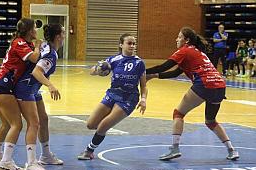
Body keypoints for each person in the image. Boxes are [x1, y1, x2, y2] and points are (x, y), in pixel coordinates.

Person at [146, 27, 239, 161]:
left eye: (179, 37)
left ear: (186, 40)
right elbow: (175, 72)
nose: (176, 39)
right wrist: (154, 75)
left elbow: (164, 67)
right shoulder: (197, 52)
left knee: (178, 113)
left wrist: (142, 72)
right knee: (211, 121)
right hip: (220, 86)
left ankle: (175, 148)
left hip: (204, 84)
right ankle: (232, 150)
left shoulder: (184, 51)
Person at [77, 33, 147, 160]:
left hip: (129, 98)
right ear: (121, 45)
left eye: (133, 43)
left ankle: (89, 151)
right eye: (129, 43)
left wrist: (143, 100)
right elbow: (92, 71)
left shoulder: (139, 63)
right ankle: (101, 132)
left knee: (103, 125)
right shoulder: (113, 60)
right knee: (90, 124)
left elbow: (144, 85)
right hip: (112, 94)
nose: (132, 46)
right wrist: (98, 69)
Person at [0, 18, 41, 170]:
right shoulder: (19, 43)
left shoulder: (24, 43)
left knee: (5, 124)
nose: (37, 31)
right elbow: (33, 58)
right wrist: (38, 47)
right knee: (17, 125)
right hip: (2, 87)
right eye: (34, 29)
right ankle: (6, 160)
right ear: (30, 31)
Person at [14, 23, 64, 170]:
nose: (64, 35)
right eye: (63, 33)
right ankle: (31, 162)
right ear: (58, 36)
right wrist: (50, 85)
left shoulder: (47, 48)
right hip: (25, 87)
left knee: (43, 119)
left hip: (33, 88)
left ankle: (46, 155)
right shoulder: (51, 54)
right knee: (34, 123)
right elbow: (37, 72)